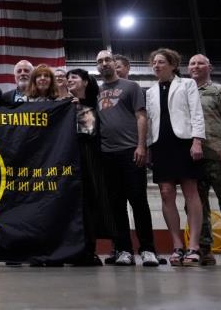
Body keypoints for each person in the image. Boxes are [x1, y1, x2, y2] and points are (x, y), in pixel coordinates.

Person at [96, 50, 160, 267]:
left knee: (138, 201)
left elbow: (141, 116)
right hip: (107, 154)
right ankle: (124, 250)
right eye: (100, 61)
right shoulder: (96, 91)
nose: (104, 63)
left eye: (107, 60)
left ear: (115, 63)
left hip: (131, 151)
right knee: (116, 204)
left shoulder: (131, 87)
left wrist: (141, 145)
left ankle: (148, 249)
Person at [146, 48, 205, 266]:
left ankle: (194, 246)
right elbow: (151, 121)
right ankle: (177, 245)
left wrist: (197, 140)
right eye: (154, 63)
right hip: (161, 145)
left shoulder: (187, 84)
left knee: (191, 191)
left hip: (185, 142)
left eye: (161, 62)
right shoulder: (150, 91)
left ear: (172, 65)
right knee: (166, 192)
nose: (156, 66)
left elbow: (196, 113)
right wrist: (149, 146)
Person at [188, 54, 221, 266]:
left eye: (200, 63)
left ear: (210, 67)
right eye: (192, 63)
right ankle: (203, 249)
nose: (196, 66)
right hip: (193, 159)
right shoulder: (184, 92)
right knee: (196, 206)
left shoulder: (220, 91)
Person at [67, 68, 114, 266]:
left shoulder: (97, 103)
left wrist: (81, 108)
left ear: (86, 81)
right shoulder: (64, 104)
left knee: (92, 202)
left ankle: (90, 249)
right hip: (70, 159)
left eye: (74, 77)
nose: (69, 80)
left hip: (92, 158)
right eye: (67, 78)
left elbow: (93, 130)